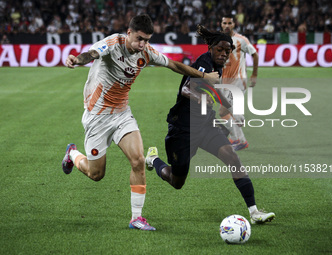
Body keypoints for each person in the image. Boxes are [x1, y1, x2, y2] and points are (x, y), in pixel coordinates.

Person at [62, 14, 219, 231]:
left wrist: (204, 77)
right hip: (97, 116)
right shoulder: (112, 44)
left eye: (147, 40)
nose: (142, 44)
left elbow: (174, 65)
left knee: (138, 160)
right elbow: (90, 54)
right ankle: (72, 153)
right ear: (128, 33)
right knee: (96, 174)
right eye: (139, 39)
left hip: (122, 114)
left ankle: (137, 217)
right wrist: (75, 60)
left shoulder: (146, 52)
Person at [145, 25, 275, 224]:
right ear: (211, 48)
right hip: (183, 129)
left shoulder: (218, 65)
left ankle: (254, 212)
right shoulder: (204, 63)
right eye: (220, 50)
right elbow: (186, 90)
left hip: (206, 125)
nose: (223, 54)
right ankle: (153, 160)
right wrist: (200, 98)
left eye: (227, 51)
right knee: (176, 181)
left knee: (233, 158)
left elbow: (217, 90)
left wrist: (232, 108)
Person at [219, 14, 259, 151]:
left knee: (226, 108)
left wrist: (254, 74)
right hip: (225, 80)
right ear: (221, 24)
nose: (227, 26)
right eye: (224, 23)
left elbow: (255, 54)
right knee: (223, 112)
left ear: (234, 25)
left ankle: (240, 126)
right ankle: (238, 138)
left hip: (238, 80)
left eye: (229, 23)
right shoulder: (217, 41)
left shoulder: (241, 40)